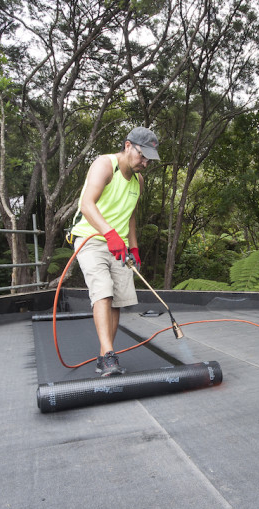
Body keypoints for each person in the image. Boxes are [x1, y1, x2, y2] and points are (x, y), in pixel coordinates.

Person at [69, 126, 160, 376]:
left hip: (119, 245)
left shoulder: (139, 181)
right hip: (91, 238)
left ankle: (102, 356)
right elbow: (87, 204)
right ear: (128, 146)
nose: (145, 163)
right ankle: (110, 355)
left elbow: (129, 215)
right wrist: (109, 235)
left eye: (149, 159)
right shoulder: (105, 165)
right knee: (103, 292)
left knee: (118, 301)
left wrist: (134, 247)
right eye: (143, 156)